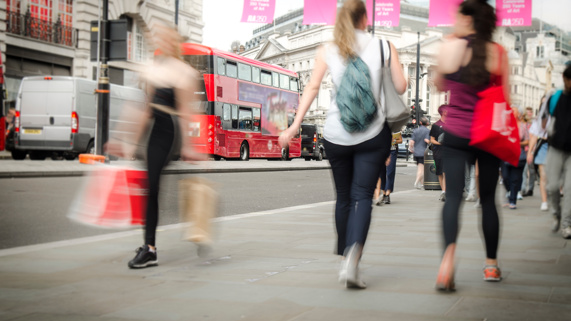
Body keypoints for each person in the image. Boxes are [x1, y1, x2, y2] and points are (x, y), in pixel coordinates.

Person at [278, 0, 406, 289]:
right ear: (364, 17)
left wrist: (295, 125)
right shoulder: (384, 46)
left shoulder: (327, 49)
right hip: (372, 134)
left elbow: (312, 87)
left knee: (344, 196)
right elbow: (400, 87)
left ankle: (343, 259)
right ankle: (353, 261)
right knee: (363, 195)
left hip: (336, 134)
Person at [106, 24, 203, 269]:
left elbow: (186, 111)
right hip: (152, 130)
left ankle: (151, 248)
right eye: (160, 37)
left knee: (153, 185)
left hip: (168, 131)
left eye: (168, 37)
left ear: (176, 41)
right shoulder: (152, 69)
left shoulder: (184, 72)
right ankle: (150, 247)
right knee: (151, 188)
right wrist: (125, 141)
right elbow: (145, 108)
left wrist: (190, 145)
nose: (163, 41)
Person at [434, 0, 509, 290]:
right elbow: (505, 100)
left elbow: (439, 84)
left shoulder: (450, 47)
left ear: (468, 20)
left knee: (453, 197)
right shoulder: (498, 53)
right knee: (488, 200)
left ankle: (447, 262)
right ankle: (491, 266)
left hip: (455, 134)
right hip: (488, 136)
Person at [545, 65, 571, 238]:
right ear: (564, 79)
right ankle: (556, 213)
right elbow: (544, 120)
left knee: (570, 188)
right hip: (555, 147)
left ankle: (566, 224)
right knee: (552, 187)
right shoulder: (554, 98)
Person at [500, 107, 529, 209]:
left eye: (514, 111)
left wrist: (518, 143)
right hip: (505, 155)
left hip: (518, 155)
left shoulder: (522, 126)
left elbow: (527, 141)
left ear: (518, 114)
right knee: (505, 177)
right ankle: (509, 193)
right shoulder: (505, 124)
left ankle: (512, 200)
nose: (511, 113)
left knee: (515, 179)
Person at [528, 97, 550, 211]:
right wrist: (530, 152)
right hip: (543, 145)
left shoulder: (557, 115)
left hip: (556, 146)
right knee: (543, 175)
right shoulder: (538, 120)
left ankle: (553, 194)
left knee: (554, 177)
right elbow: (534, 136)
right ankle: (544, 201)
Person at [374, 131, 403, 205]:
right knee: (382, 173)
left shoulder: (396, 130)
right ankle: (384, 193)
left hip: (392, 151)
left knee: (390, 172)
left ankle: (387, 194)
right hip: (382, 152)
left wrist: (394, 140)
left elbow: (400, 140)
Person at [430, 106, 447, 201]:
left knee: (446, 172)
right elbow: (431, 140)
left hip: (448, 152)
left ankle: (445, 191)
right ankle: (443, 191)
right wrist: (440, 143)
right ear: (443, 112)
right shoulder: (436, 125)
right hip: (438, 152)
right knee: (440, 172)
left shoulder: (451, 124)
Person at [410, 117, 430, 189]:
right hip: (423, 152)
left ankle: (422, 184)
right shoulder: (427, 131)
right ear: (427, 123)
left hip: (416, 152)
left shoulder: (415, 130)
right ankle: (416, 182)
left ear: (420, 123)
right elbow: (427, 140)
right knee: (421, 169)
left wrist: (411, 148)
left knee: (419, 167)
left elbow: (412, 142)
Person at [521, 106, 536, 197]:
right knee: (524, 169)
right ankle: (523, 189)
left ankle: (530, 188)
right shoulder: (523, 124)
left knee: (532, 170)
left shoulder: (534, 124)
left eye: (530, 112)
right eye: (527, 112)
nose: (528, 114)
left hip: (532, 149)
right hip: (524, 149)